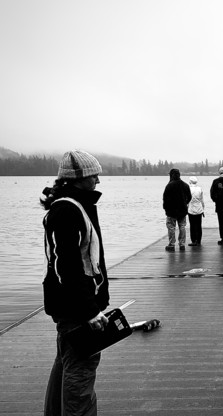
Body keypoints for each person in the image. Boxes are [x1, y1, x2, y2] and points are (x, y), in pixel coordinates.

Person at [41, 150, 110, 416]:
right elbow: (66, 266)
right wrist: (89, 310)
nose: (98, 181)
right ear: (77, 177)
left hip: (75, 307)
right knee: (79, 378)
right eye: (94, 175)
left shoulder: (75, 205)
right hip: (77, 311)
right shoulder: (67, 210)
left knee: (66, 366)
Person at [162, 168, 192, 252]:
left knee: (171, 227)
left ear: (171, 175)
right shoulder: (185, 185)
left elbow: (165, 199)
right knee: (182, 226)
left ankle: (171, 245)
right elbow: (189, 197)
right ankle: (182, 244)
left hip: (171, 211)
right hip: (182, 210)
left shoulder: (169, 185)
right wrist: (185, 203)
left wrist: (165, 208)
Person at [187, 176, 205, 246]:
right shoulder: (199, 189)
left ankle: (193, 240)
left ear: (190, 182)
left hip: (191, 209)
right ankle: (199, 240)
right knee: (199, 225)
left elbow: (187, 200)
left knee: (192, 225)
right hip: (199, 209)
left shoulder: (188, 189)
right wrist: (203, 209)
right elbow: (202, 200)